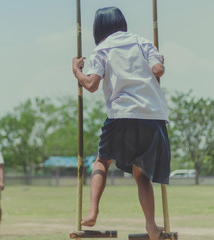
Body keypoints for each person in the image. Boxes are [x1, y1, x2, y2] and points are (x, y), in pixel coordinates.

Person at [72, 7, 170, 240]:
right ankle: (151, 226)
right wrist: (160, 62)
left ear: (99, 29)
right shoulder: (144, 43)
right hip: (152, 116)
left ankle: (93, 210)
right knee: (141, 173)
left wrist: (76, 71)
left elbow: (92, 84)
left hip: (122, 114)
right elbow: (158, 70)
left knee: (102, 161)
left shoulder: (102, 49)